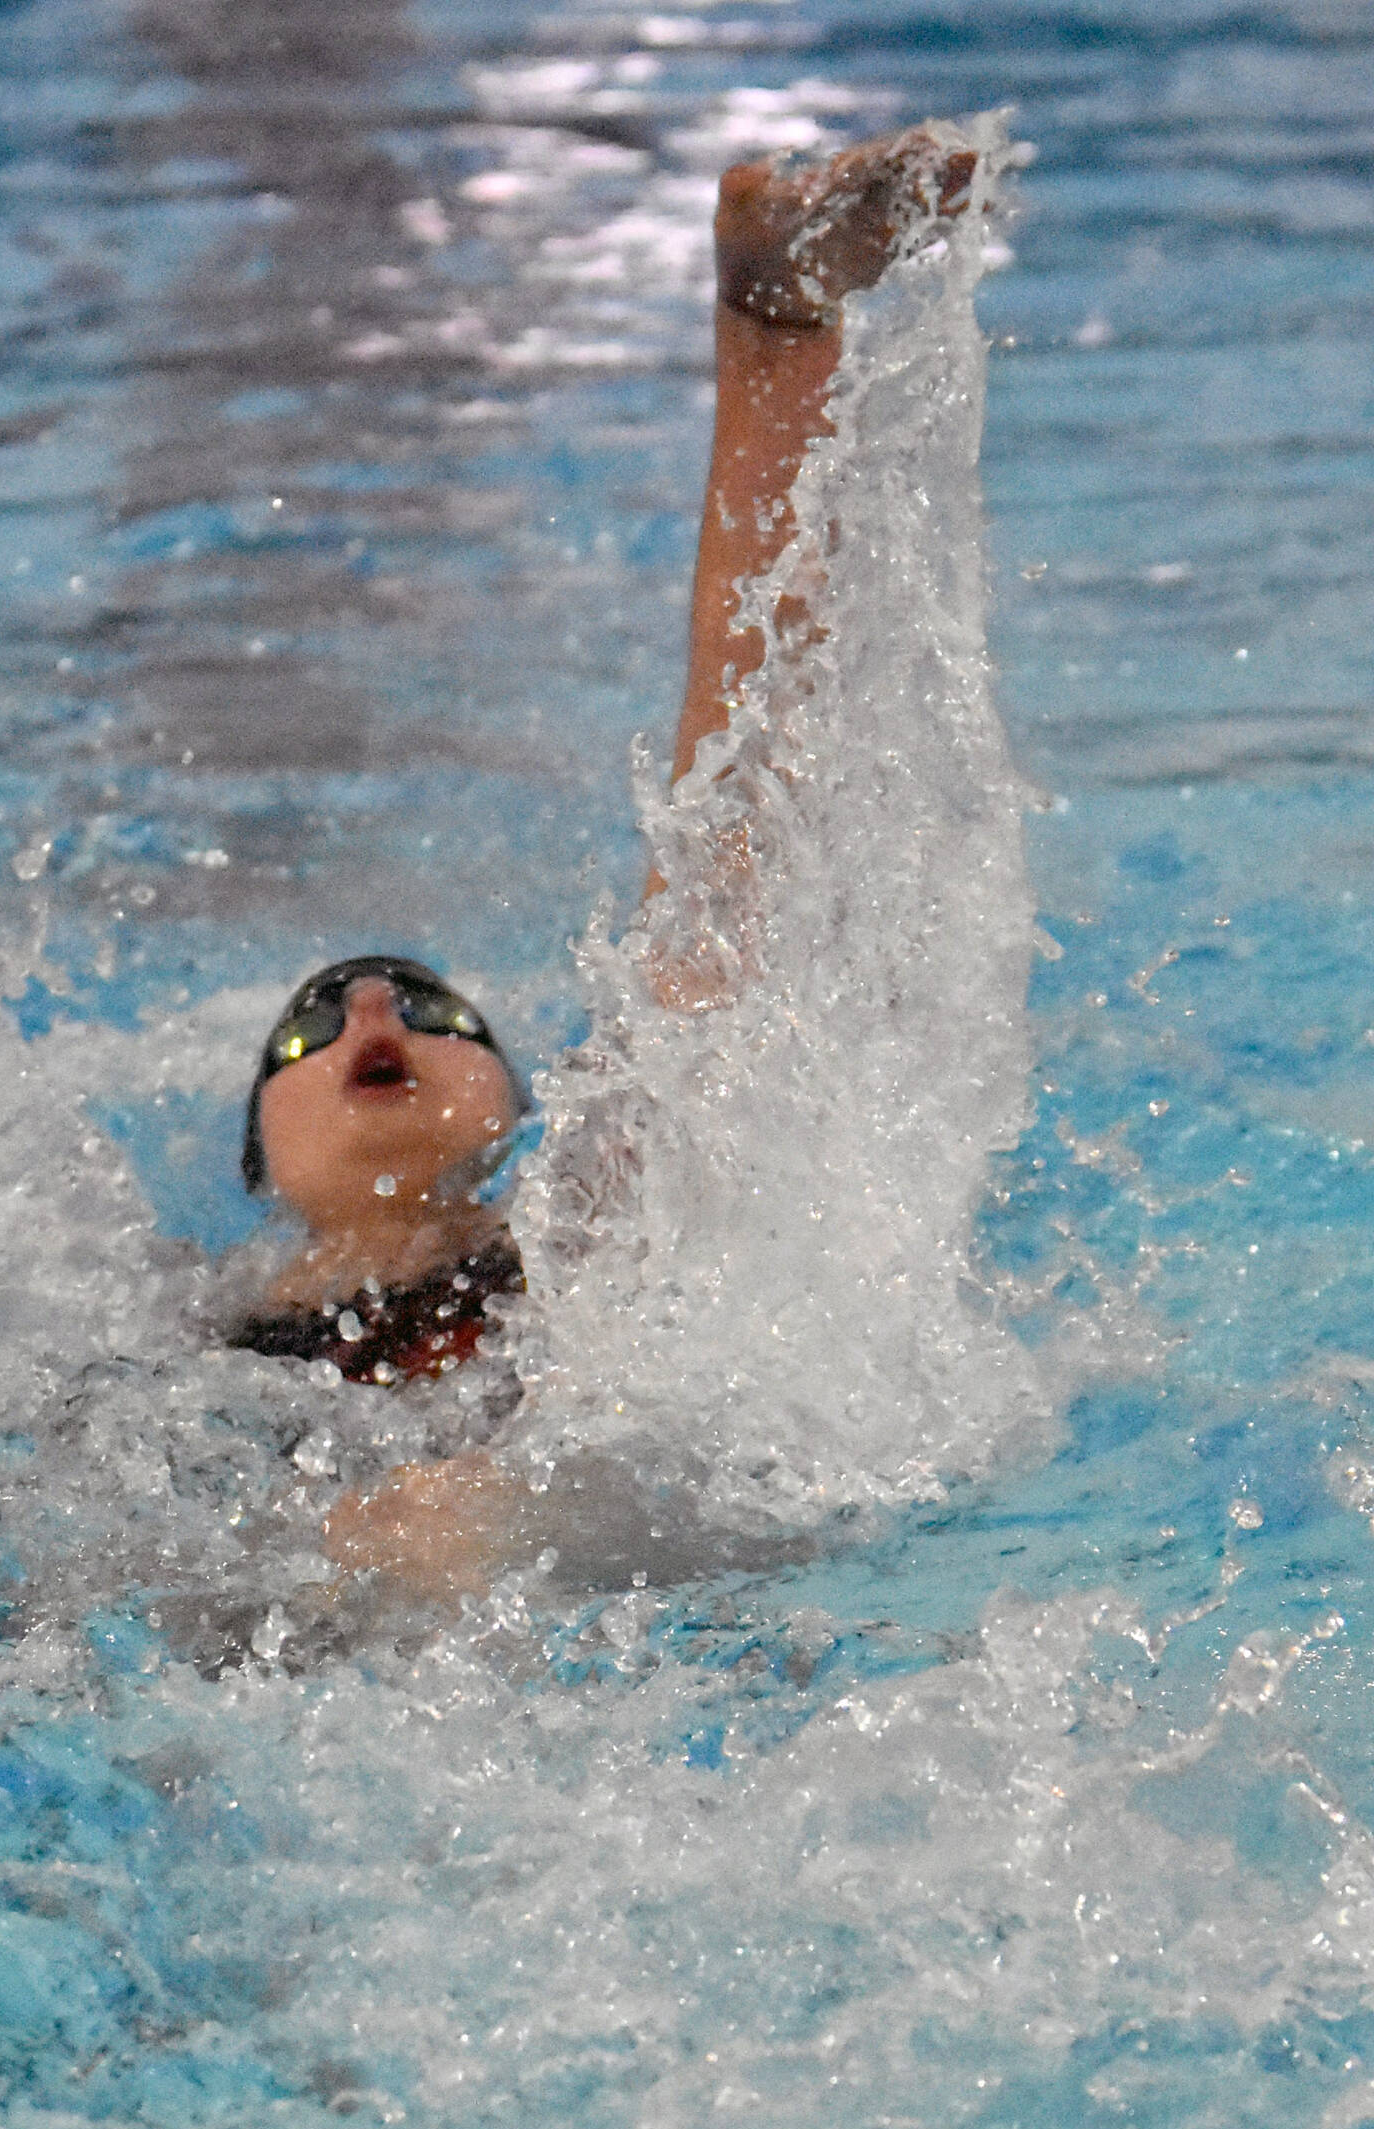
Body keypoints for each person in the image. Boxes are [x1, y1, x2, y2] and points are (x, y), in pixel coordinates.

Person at [226, 128, 979, 1595]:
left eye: (433, 1014)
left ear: (511, 1104)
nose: (378, 1018)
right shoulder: (152, 1330)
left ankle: (773, 311)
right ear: (256, 1156)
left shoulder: (590, 1224)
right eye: (319, 1025)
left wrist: (775, 342)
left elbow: (735, 805)